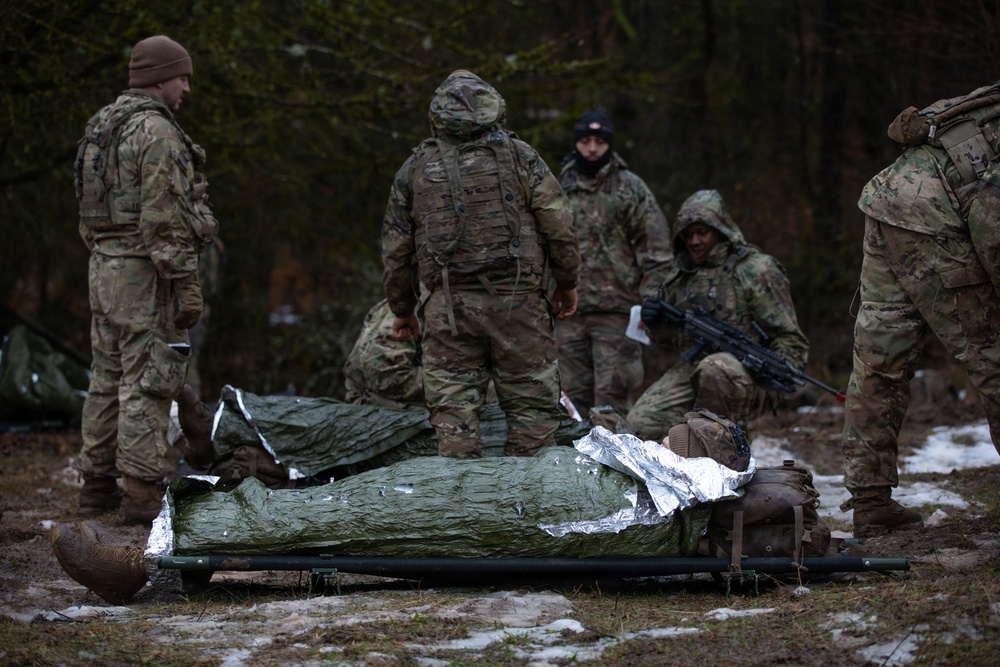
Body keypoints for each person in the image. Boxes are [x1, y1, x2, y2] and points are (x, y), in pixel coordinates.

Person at [381, 70, 581, 459]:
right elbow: (559, 225)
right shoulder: (522, 157)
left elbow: (395, 250)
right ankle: (532, 509)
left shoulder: (415, 169)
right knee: (533, 418)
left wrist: (402, 309)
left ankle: (465, 511)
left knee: (455, 423)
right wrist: (567, 281)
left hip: (449, 310)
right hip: (519, 306)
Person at [842, 82, 1000, 536]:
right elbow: (991, 219)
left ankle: (870, 503)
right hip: (932, 212)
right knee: (991, 353)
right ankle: (871, 501)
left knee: (879, 361)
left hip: (888, 198)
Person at [73, 35, 219, 524]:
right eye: (183, 78)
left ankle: (96, 488)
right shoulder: (155, 132)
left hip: (103, 267)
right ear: (159, 78)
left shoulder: (102, 126)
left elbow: (88, 211)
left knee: (106, 377)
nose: (187, 89)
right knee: (146, 383)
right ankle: (139, 497)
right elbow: (162, 221)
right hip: (143, 273)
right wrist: (186, 283)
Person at [628, 189, 809, 441]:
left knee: (714, 369)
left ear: (720, 230)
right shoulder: (682, 276)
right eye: (688, 235)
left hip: (751, 374)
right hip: (694, 369)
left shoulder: (755, 270)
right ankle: (680, 457)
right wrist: (657, 323)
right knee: (640, 425)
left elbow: (791, 340)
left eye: (702, 232)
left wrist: (766, 369)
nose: (695, 242)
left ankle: (724, 449)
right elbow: (670, 341)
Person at [555, 111, 673, 417]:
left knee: (611, 406)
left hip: (618, 315)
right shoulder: (558, 188)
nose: (592, 148)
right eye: (585, 141)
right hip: (568, 314)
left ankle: (613, 465)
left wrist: (652, 300)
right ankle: (571, 466)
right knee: (569, 405)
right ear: (576, 144)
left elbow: (655, 250)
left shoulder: (629, 188)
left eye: (599, 141)